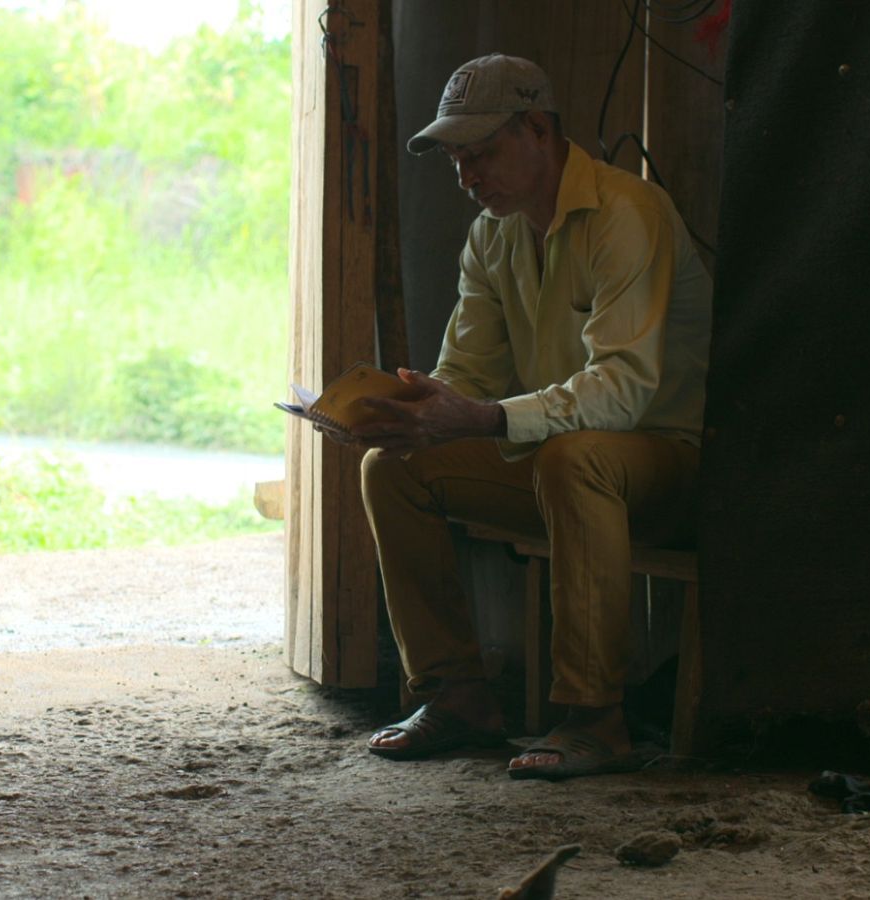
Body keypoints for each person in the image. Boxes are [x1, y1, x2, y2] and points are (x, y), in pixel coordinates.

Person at [349, 53, 712, 780]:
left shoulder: (626, 212)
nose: (467, 176)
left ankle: (594, 719)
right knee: (392, 466)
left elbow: (626, 391)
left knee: (573, 457)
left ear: (539, 130)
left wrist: (480, 419)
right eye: (456, 159)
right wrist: (411, 412)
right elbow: (468, 377)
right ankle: (457, 696)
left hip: (675, 466)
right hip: (564, 466)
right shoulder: (494, 234)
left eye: (481, 153)